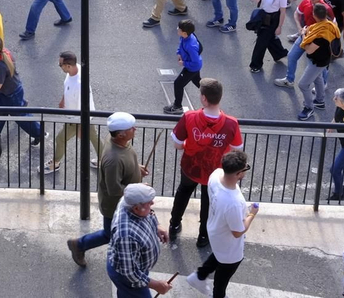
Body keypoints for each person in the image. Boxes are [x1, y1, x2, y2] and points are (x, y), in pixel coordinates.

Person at [168, 78, 242, 246]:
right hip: (215, 171)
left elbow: (178, 144)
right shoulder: (231, 123)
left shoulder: (189, 117)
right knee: (208, 202)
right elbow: (237, 149)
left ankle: (173, 225)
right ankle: (203, 237)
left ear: (203, 98)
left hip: (190, 166)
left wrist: (191, 144)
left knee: (183, 193)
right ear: (220, 97)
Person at [69, 111, 146, 266]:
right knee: (109, 234)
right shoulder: (113, 159)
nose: (135, 129)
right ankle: (79, 244)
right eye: (131, 128)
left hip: (125, 202)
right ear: (121, 135)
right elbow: (114, 189)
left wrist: (137, 169)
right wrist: (139, 191)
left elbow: (127, 163)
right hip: (114, 205)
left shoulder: (120, 143)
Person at [183, 149, 256, 298]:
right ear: (239, 174)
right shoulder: (233, 203)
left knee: (218, 254)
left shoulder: (215, 175)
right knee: (222, 279)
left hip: (215, 230)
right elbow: (238, 231)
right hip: (229, 244)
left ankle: (200, 276)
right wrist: (252, 214)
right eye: (246, 168)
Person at [108, 183, 171, 298]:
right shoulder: (126, 235)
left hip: (137, 267)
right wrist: (156, 285)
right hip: (128, 277)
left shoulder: (127, 201)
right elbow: (130, 273)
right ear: (136, 208)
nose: (152, 204)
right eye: (149, 203)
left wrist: (156, 225)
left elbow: (148, 211)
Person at [285, 0, 341, 121]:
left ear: (314, 16)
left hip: (318, 61)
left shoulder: (322, 34)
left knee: (303, 84)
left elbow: (309, 50)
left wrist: (304, 34)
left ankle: (309, 108)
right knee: (318, 78)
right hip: (323, 60)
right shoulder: (329, 24)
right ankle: (320, 101)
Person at [48, 51, 100, 173]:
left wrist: (81, 128)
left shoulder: (80, 85)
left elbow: (83, 108)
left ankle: (55, 163)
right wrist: (63, 99)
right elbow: (67, 86)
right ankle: (104, 160)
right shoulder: (74, 70)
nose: (59, 66)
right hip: (78, 117)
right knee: (94, 138)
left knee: (60, 139)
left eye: (61, 65)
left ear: (68, 66)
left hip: (76, 119)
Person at [0, 35, 42, 143]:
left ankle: (39, 133)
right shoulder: (5, 53)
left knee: (20, 117)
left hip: (10, 95)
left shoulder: (1, 65)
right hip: (11, 91)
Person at [164, 20, 203, 115]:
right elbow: (181, 45)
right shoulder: (186, 37)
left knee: (178, 84)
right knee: (197, 82)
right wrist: (178, 53)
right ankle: (212, 94)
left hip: (192, 68)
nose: (177, 29)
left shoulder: (190, 46)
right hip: (193, 67)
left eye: (179, 29)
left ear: (184, 32)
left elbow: (195, 62)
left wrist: (184, 63)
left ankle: (177, 107)